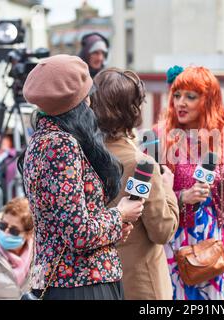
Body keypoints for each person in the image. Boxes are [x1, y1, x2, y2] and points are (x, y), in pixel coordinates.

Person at [19, 54, 144, 300]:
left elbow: (62, 222)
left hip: (59, 280)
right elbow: (78, 234)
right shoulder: (62, 145)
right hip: (81, 283)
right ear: (79, 104)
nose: (90, 103)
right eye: (87, 97)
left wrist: (115, 227)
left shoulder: (39, 140)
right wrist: (120, 214)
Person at [91, 67, 180, 300]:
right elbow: (162, 230)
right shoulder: (141, 163)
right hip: (140, 284)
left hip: (97, 283)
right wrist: (168, 189)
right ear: (134, 109)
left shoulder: (81, 154)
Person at [158, 66, 224, 300]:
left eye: (190, 96)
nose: (180, 103)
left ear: (207, 100)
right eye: (177, 96)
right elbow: (151, 200)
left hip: (214, 237)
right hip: (174, 235)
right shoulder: (161, 138)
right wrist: (181, 196)